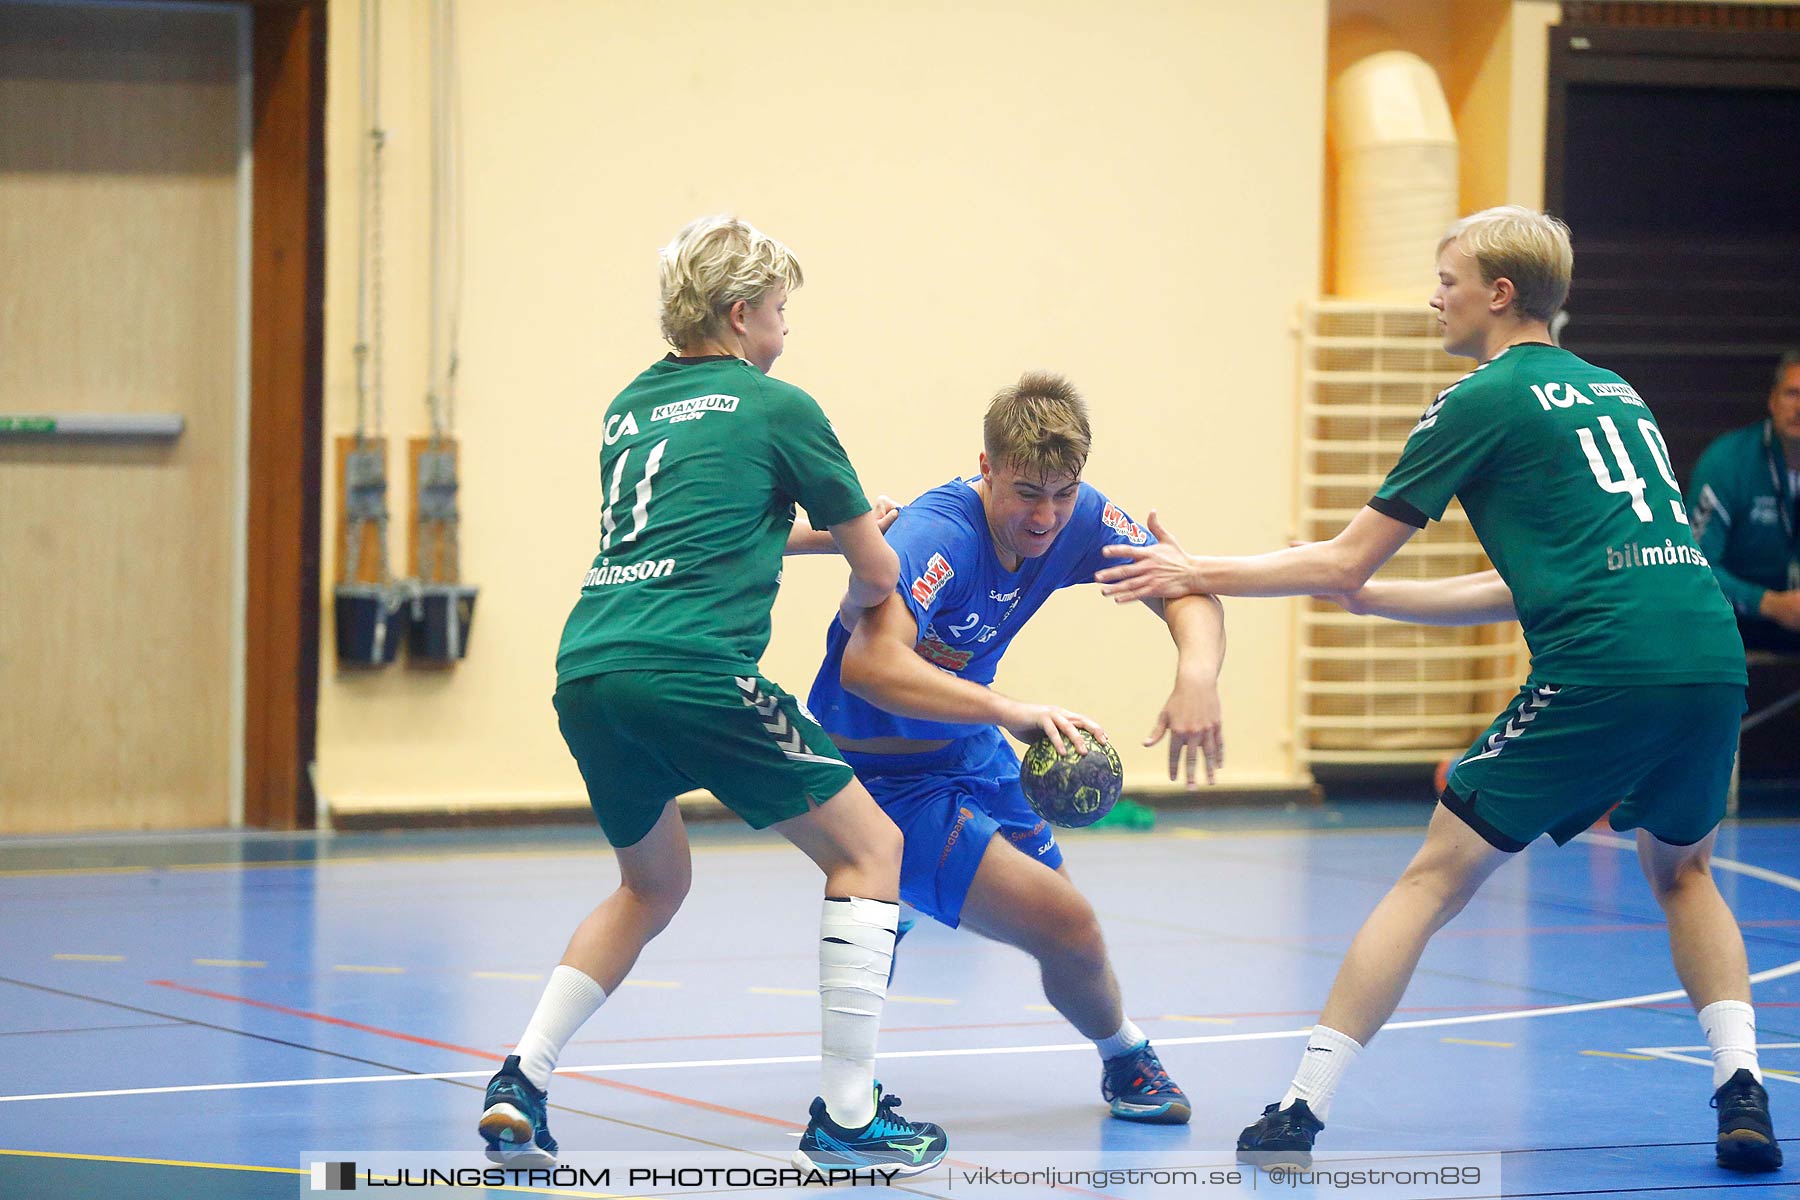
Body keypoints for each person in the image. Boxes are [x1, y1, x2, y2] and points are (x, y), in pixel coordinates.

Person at [1096, 206, 1782, 1174]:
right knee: (1685, 872)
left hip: (1603, 667)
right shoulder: (1615, 392)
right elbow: (1532, 580)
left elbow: (1338, 559)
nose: (1433, 297)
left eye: (1447, 279)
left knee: (1433, 876)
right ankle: (1742, 1091)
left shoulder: (1480, 399)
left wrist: (1190, 567)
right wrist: (1379, 605)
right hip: (1709, 657)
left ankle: (1298, 1110)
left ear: (1499, 294)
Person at [477, 215, 948, 1176]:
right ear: (740, 316)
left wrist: (816, 535)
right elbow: (879, 566)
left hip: (592, 666)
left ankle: (522, 1076)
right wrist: (867, 583)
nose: (784, 333)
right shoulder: (780, 408)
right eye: (780, 314)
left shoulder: (630, 407)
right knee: (872, 848)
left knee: (652, 883)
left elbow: (711, 528)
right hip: (694, 665)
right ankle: (849, 1117)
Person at [806, 370, 1226, 1125]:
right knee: (1070, 924)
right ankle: (1128, 1056)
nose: (1047, 515)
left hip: (971, 751)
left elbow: (1183, 585)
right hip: (884, 781)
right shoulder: (939, 534)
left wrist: (1196, 676)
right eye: (1028, 492)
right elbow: (867, 666)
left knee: (1071, 937)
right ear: (987, 468)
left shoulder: (1081, 517)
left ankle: (1120, 1058)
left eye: (1064, 492)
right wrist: (1011, 711)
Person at [1689, 352, 1800, 654]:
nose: (1799, 407)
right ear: (1773, 400)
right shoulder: (1727, 463)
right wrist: (1768, 603)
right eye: (1792, 393)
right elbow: (1695, 566)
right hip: (1737, 629)